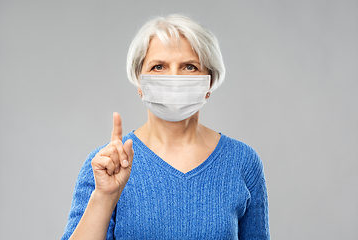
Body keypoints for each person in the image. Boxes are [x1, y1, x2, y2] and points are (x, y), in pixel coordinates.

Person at [61, 14, 270, 240]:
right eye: (158, 67)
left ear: (209, 81)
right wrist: (103, 197)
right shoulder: (106, 165)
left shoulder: (242, 161)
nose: (174, 79)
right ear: (139, 82)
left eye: (189, 67)